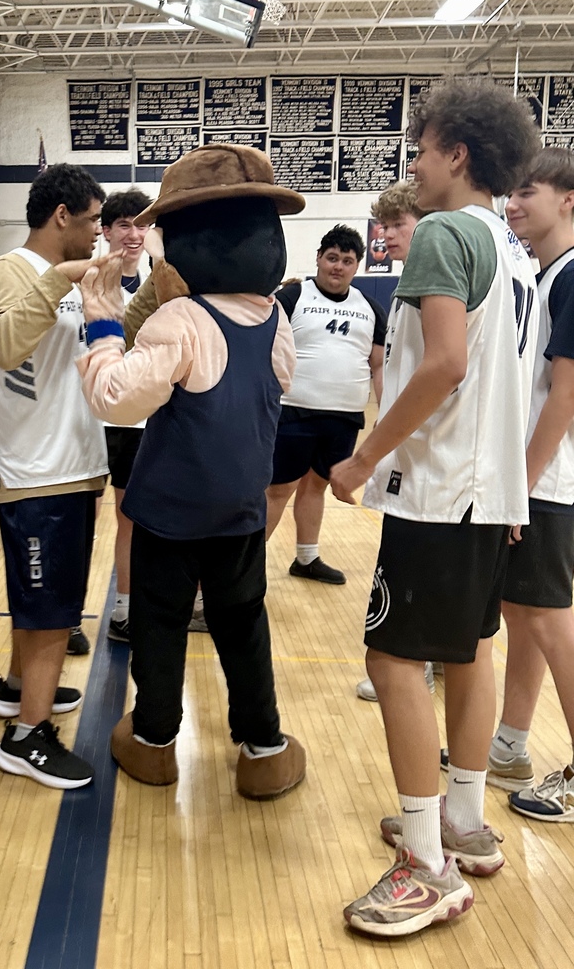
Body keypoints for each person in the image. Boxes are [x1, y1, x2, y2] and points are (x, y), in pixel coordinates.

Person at [330, 78, 539, 936]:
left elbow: (446, 362)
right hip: (487, 496)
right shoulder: (515, 249)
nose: (412, 163)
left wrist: (366, 454)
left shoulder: (446, 232)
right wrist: (512, 488)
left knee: (392, 663)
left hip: (441, 492)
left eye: (421, 148)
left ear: (457, 153)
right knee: (469, 653)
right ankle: (461, 819)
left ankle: (426, 866)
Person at [77, 143, 307, 799]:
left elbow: (115, 398)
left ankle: (154, 740)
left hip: (169, 510)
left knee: (159, 620)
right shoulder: (275, 318)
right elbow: (276, 384)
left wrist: (102, 328)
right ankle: (263, 746)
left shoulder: (182, 318)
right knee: (243, 622)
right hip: (239, 508)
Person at [0, 163, 109, 788]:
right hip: (36, 469)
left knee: (45, 603)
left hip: (71, 463)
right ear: (62, 216)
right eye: (92, 223)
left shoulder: (73, 279)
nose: (98, 237)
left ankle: (16, 687)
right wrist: (59, 279)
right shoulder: (12, 269)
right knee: (50, 610)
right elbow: (2, 345)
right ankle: (26, 737)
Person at [487, 147, 574, 820]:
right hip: (539, 478)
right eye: (511, 192)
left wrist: (521, 481)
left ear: (568, 199)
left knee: (549, 618)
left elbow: (566, 395)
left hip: (551, 480)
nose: (513, 203)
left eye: (529, 191)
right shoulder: (548, 274)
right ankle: (511, 745)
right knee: (524, 615)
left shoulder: (571, 275)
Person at [265, 224, 387, 585]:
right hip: (293, 411)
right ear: (318, 258)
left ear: (357, 266)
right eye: (332, 258)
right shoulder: (292, 298)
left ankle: (306, 558)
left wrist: (385, 411)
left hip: (344, 418)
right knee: (278, 490)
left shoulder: (371, 307)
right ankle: (246, 570)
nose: (338, 266)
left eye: (347, 261)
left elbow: (378, 364)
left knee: (317, 486)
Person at [355, 181, 430, 702]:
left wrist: (369, 452)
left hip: (428, 458)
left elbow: (442, 371)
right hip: (416, 451)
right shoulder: (407, 289)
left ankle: (416, 661)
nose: (385, 236)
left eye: (397, 225)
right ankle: (427, 657)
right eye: (382, 226)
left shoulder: (433, 288)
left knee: (414, 566)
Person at [99, 188, 152, 643]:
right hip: (98, 419)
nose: (134, 234)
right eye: (124, 225)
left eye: (142, 224)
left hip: (145, 419)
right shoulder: (90, 281)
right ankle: (67, 618)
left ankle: (128, 607)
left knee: (133, 518)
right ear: (106, 231)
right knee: (83, 522)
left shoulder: (163, 278)